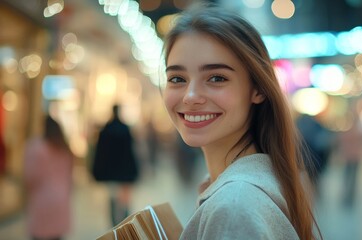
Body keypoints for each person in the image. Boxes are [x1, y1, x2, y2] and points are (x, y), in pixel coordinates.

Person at [161, 3, 321, 240]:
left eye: (216, 78)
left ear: (257, 89)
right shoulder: (264, 181)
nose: (190, 96)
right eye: (177, 78)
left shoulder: (234, 206)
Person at [24, 115, 74, 240]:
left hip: (42, 201)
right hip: (61, 201)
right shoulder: (64, 149)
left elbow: (31, 177)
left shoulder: (36, 148)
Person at [92, 104, 139, 226]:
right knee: (124, 201)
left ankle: (115, 227)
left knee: (112, 199)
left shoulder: (106, 130)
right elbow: (131, 152)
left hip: (110, 173)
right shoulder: (125, 129)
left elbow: (100, 153)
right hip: (124, 172)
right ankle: (125, 224)